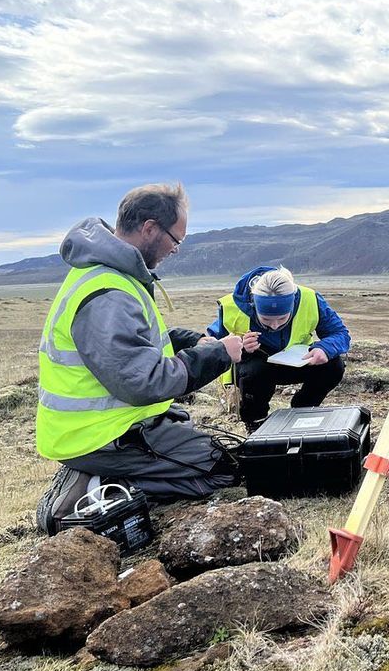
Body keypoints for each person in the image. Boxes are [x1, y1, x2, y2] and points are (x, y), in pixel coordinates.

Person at [35, 183, 244, 534]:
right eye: (175, 240)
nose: (175, 250)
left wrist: (194, 341)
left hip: (108, 428)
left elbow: (136, 342)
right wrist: (217, 356)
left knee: (208, 451)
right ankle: (97, 489)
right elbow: (143, 381)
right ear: (149, 228)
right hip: (99, 436)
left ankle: (107, 474)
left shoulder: (110, 274)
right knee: (221, 469)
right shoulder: (108, 292)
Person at [206, 265, 350, 431]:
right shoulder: (233, 307)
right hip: (255, 370)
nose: (274, 325)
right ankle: (255, 423)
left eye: (282, 318)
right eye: (266, 319)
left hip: (297, 362)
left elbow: (340, 333)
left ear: (292, 304)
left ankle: (302, 411)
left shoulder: (310, 299)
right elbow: (213, 344)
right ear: (253, 305)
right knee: (255, 372)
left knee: (334, 366)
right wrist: (240, 345)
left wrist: (324, 348)